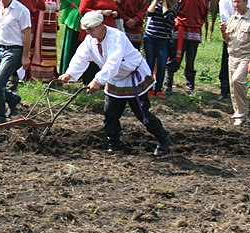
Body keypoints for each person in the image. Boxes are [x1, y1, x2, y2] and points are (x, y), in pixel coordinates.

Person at [58, 11, 171, 157]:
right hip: (114, 77)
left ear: (100, 25)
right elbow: (81, 57)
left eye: (91, 29)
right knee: (110, 114)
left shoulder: (116, 37)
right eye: (86, 29)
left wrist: (97, 80)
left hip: (132, 77)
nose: (88, 32)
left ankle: (163, 139)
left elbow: (113, 61)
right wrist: (69, 74)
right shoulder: (90, 40)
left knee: (142, 113)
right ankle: (114, 143)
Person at [221, 0, 250, 126]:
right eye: (234, 1)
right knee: (233, 86)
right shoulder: (232, 18)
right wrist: (222, 31)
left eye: (239, 1)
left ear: (246, 2)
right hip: (232, 55)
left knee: (238, 80)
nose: (236, 4)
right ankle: (238, 112)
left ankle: (242, 111)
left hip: (246, 56)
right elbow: (227, 40)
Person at [166, 0, 211, 94]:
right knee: (175, 56)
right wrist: (177, 21)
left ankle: (190, 84)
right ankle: (168, 83)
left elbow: (205, 12)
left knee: (191, 58)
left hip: (195, 30)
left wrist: (198, 23)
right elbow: (172, 7)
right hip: (180, 28)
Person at [216, 0, 250, 100]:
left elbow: (248, 16)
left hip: (243, 36)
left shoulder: (247, 0)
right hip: (229, 34)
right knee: (226, 62)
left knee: (240, 63)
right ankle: (224, 90)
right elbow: (226, 20)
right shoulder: (224, 2)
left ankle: (237, 91)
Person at [11, 0, 46, 80]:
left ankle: (19, 76)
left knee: (25, 49)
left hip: (28, 23)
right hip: (13, 22)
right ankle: (9, 74)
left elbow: (37, 6)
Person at [57, 0, 94, 74]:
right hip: (74, 19)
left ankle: (82, 73)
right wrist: (69, 3)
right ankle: (65, 71)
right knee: (71, 45)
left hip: (88, 18)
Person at [143, 0, 178, 98]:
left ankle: (158, 89)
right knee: (149, 63)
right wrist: (156, 0)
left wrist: (164, 2)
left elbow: (168, 17)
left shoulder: (173, 4)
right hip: (150, 37)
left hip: (163, 39)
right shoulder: (155, 1)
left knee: (162, 65)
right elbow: (149, 14)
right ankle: (148, 88)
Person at [29, 0, 60, 81]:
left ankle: (48, 75)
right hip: (38, 24)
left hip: (50, 26)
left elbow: (57, 9)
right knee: (36, 47)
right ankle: (34, 74)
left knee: (49, 49)